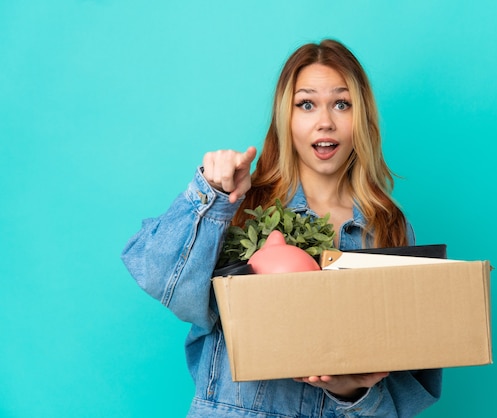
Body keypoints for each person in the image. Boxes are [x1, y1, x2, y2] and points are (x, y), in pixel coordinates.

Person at [121, 39, 442, 417]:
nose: (325, 121)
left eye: (342, 104)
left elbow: (403, 395)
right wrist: (209, 195)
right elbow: (158, 275)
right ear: (285, 119)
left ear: (363, 118)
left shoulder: (388, 227)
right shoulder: (240, 206)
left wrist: (351, 391)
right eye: (306, 104)